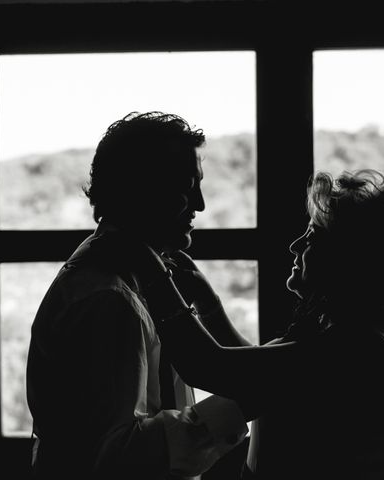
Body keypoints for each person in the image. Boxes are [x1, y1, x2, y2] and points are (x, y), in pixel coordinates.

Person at [130, 169, 384, 479]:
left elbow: (209, 366)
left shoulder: (358, 346)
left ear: (349, 256)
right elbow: (263, 375)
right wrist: (209, 306)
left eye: (313, 236)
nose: (295, 245)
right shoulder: (369, 325)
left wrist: (152, 272)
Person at [25, 111, 249, 480]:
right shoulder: (108, 298)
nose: (201, 204)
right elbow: (113, 455)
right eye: (187, 186)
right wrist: (237, 408)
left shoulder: (141, 276)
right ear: (143, 190)